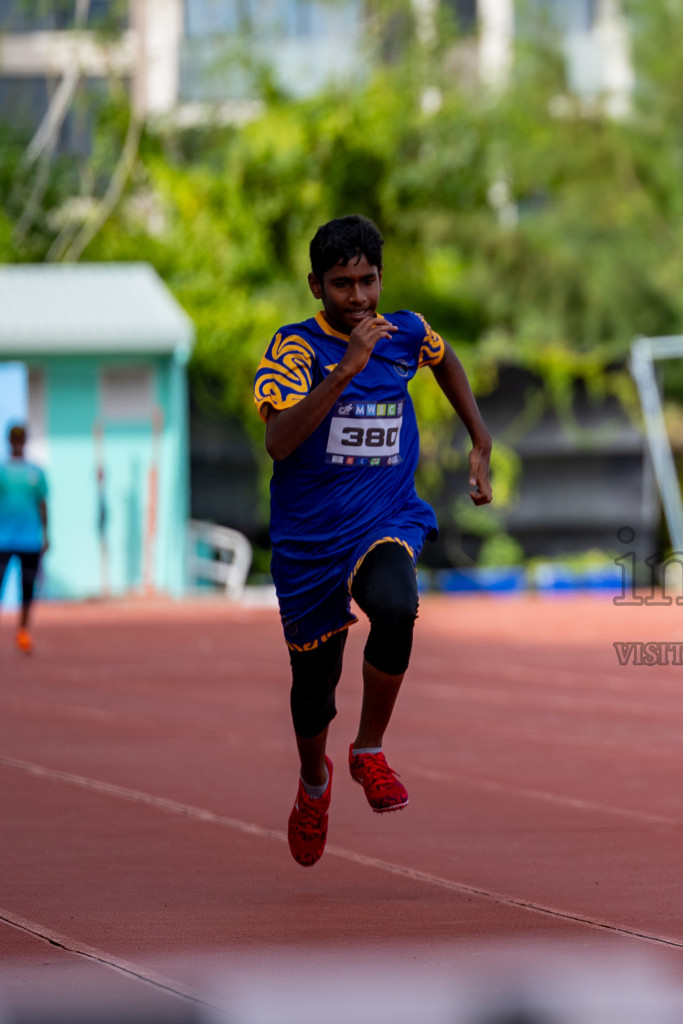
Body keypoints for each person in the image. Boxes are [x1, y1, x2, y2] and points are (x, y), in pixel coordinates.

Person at [254, 215, 493, 867]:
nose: (359, 298)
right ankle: (314, 784)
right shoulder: (296, 350)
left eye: (368, 281)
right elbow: (277, 442)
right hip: (309, 541)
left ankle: (367, 750)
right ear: (315, 286)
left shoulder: (406, 332)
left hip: (384, 517)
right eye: (342, 285)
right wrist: (344, 371)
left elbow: (444, 360)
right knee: (314, 686)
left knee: (396, 604)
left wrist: (479, 438)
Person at [0, 423, 48, 654]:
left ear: (25, 441)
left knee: (28, 589)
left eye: (21, 438)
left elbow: (43, 504)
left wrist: (47, 535)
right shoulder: (1, 471)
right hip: (3, 539)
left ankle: (23, 632)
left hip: (30, 540)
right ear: (9, 441)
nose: (17, 442)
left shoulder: (36, 472)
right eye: (14, 438)